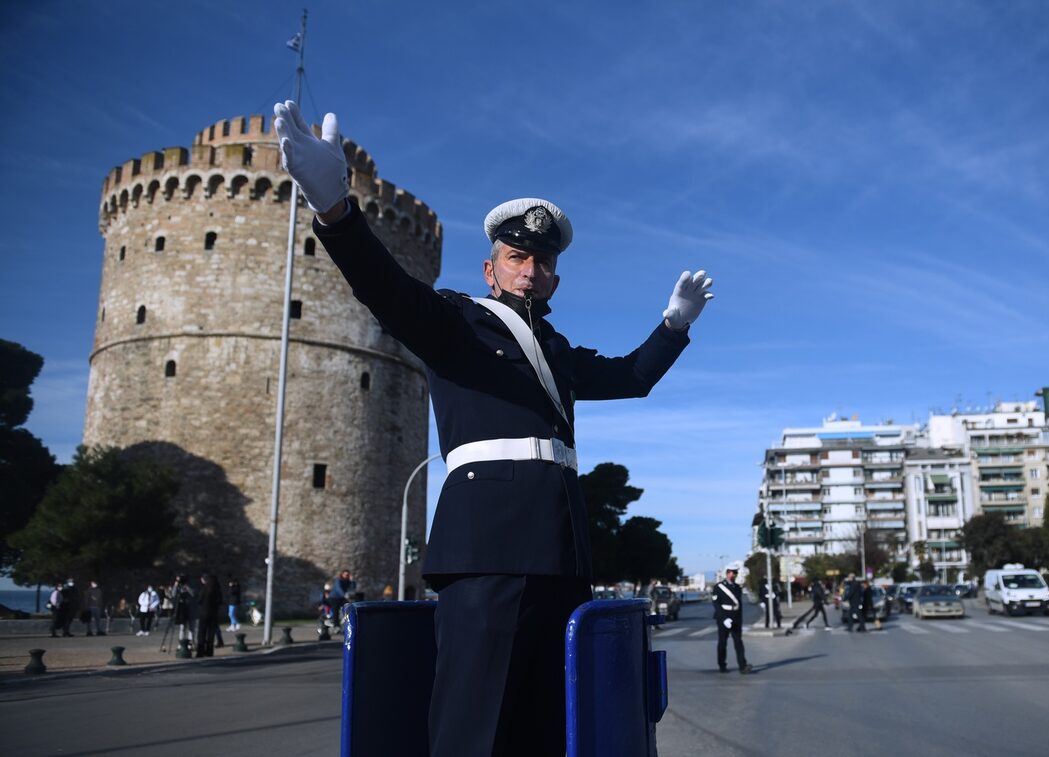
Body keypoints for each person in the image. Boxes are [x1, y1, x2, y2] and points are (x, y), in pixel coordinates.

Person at [274, 100, 712, 757]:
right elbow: (385, 288)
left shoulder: (558, 352)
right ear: (491, 268)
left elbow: (633, 376)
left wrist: (674, 325)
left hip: (561, 556)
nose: (529, 268)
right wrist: (334, 207)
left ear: (555, 276)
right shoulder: (455, 322)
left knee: (551, 726)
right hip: (486, 556)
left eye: (541, 261)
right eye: (515, 256)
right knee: (475, 731)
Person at [712, 568, 751, 674]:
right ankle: (722, 665)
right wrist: (724, 619)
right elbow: (716, 605)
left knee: (738, 642)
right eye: (733, 573)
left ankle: (742, 666)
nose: (734, 575)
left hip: (736, 618)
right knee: (722, 643)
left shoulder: (737, 587)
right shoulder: (719, 587)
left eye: (736, 573)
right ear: (728, 573)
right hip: (724, 618)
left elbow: (739, 605)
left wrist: (740, 619)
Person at [195, 573, 223, 657]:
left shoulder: (204, 589)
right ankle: (209, 651)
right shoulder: (217, 590)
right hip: (214, 614)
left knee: (202, 633)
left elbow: (199, 600)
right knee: (211, 633)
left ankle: (200, 651)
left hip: (204, 613)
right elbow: (220, 601)